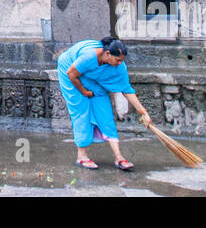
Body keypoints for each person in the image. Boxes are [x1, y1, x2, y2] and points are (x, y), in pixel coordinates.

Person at [56, 36, 152, 170]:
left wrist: (143, 112)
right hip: (69, 70)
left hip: (89, 74)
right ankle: (82, 156)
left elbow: (127, 90)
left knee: (105, 111)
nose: (120, 63)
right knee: (81, 110)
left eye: (122, 60)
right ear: (107, 54)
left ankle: (119, 157)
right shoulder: (89, 56)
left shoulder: (118, 67)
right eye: (117, 60)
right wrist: (84, 91)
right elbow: (71, 73)